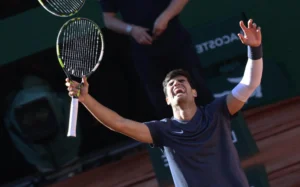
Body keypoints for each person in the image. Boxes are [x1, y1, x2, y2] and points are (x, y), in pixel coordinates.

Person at [66, 19, 263, 187]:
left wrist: (254, 49)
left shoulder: (217, 112)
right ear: (167, 99)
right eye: (171, 84)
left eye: (182, 81)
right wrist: (86, 99)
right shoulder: (163, 131)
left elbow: (249, 84)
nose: (177, 84)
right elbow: (119, 124)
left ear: (194, 92)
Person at [99, 0, 214, 118]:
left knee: (198, 88)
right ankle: (178, 134)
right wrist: (131, 30)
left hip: (176, 42)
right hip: (145, 50)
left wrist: (165, 17)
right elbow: (108, 19)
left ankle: (216, 127)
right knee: (161, 101)